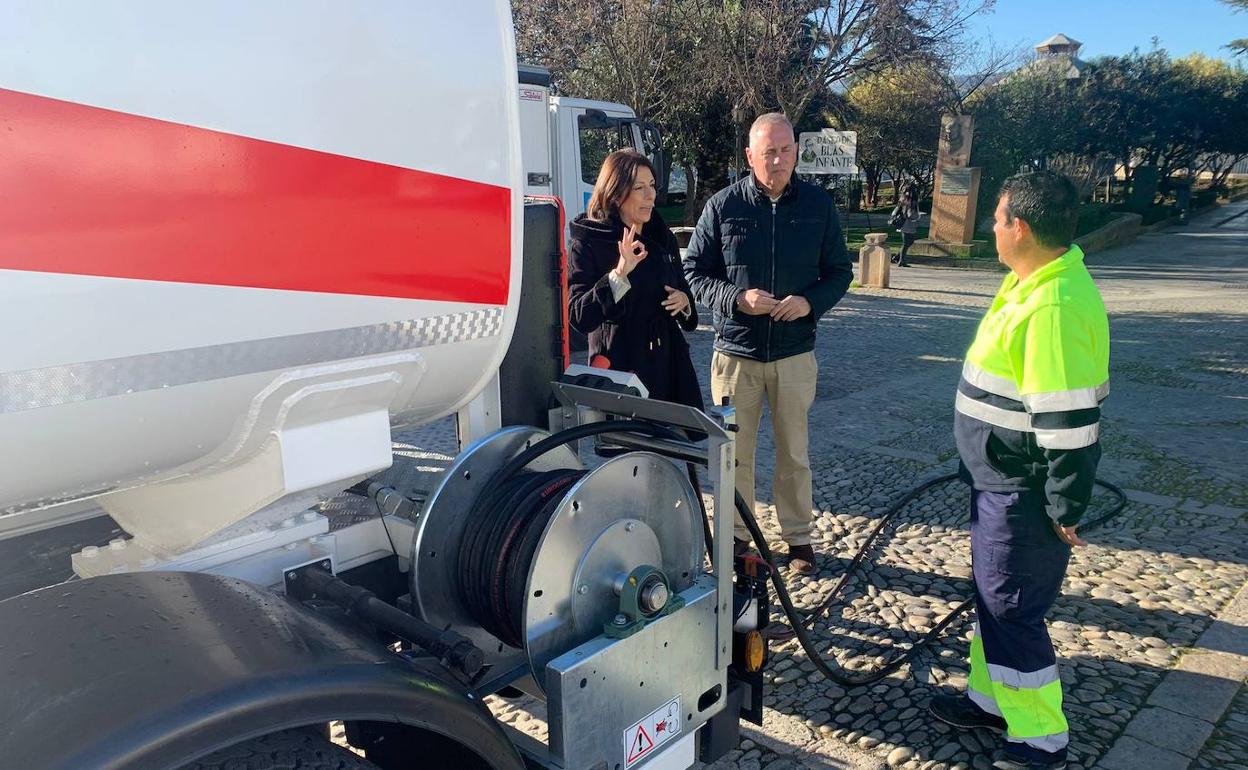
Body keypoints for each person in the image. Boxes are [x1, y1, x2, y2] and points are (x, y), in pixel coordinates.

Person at [929, 171, 1109, 770]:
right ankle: (990, 700)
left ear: (1021, 229)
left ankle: (1040, 738)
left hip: (1022, 491)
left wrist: (1065, 507)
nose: (992, 226)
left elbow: (1070, 426)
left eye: (999, 217)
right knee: (992, 597)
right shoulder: (1032, 281)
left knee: (1011, 606)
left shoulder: (1053, 305)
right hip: (998, 480)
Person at [682, 113, 853, 575]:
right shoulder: (723, 206)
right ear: (749, 156)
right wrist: (737, 299)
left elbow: (840, 272)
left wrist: (809, 302)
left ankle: (798, 538)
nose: (778, 161)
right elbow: (695, 272)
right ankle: (738, 536)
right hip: (735, 354)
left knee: (794, 453)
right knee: (734, 454)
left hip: (794, 353)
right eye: (769, 152)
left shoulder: (818, 205)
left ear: (796, 151)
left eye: (786, 150)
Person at [568, 149, 702, 410]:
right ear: (616, 194)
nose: (651, 195)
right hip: (619, 367)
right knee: (625, 437)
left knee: (675, 435)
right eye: (639, 188)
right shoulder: (589, 240)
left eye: (652, 185)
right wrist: (619, 274)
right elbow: (579, 316)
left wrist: (684, 302)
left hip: (667, 367)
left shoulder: (662, 235)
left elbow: (683, 291)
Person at [890, 184, 922, 267]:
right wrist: (918, 216)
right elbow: (911, 214)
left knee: (909, 242)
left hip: (903, 222)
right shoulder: (912, 201)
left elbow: (896, 210)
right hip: (908, 223)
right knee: (906, 243)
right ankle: (901, 260)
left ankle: (898, 257)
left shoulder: (902, 199)